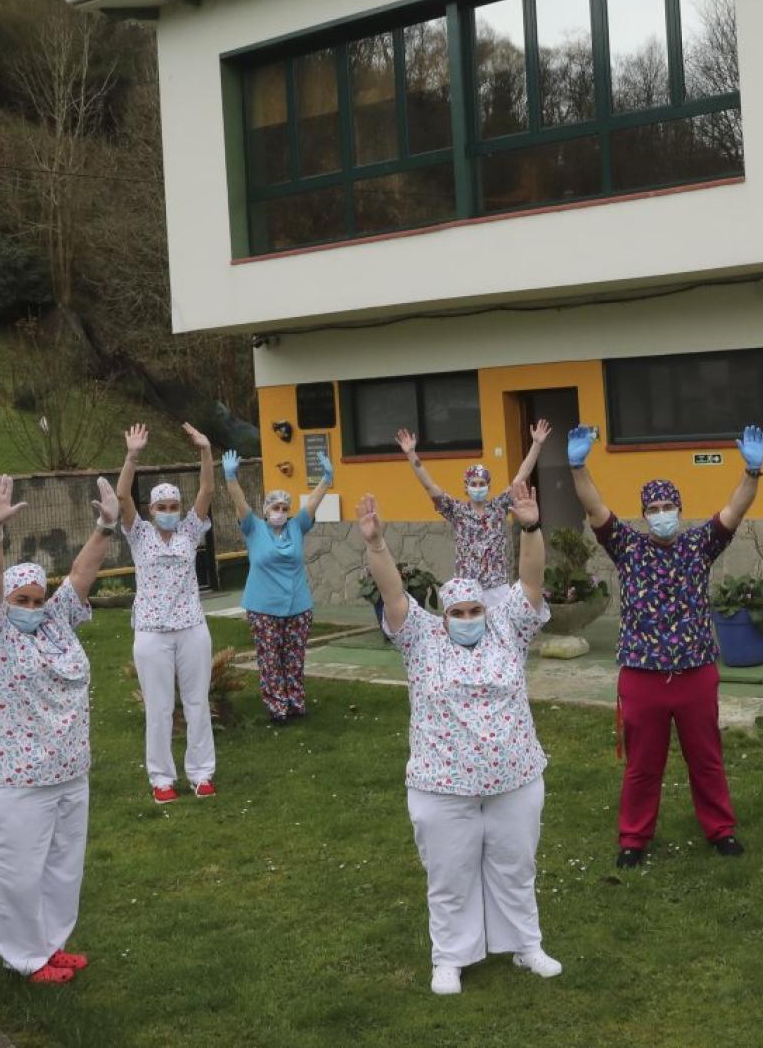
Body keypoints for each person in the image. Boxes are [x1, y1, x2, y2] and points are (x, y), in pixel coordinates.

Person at [357, 484, 560, 996]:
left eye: (475, 610)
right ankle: (450, 957)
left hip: (514, 777)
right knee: (450, 874)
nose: (468, 618)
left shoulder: (508, 630)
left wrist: (531, 528)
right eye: (459, 612)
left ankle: (525, 946)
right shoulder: (421, 638)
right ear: (443, 615)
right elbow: (392, 594)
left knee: (516, 865)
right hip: (441, 783)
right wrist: (377, 544)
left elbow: (531, 582)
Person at [565, 422, 763, 868]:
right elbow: (594, 505)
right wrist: (577, 465)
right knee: (642, 766)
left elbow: (735, 509)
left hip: (695, 671)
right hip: (642, 675)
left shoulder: (699, 544)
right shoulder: (627, 547)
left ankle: (720, 830)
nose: (661, 513)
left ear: (679, 507)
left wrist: (751, 473)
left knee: (706, 758)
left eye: (667, 505)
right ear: (643, 514)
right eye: (653, 507)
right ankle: (633, 838)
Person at [0, 473, 118, 984]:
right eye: (21, 600)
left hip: (69, 774)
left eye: (36, 599)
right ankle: (24, 957)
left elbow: (80, 574)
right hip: (12, 784)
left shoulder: (55, 621)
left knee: (60, 870)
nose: (31, 608)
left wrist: (105, 526)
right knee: (17, 876)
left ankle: (51, 946)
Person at [115, 421, 219, 803]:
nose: (170, 512)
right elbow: (122, 494)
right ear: (151, 509)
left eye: (175, 506)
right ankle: (161, 779)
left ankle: (202, 773)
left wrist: (205, 451)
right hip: (151, 632)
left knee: (196, 704)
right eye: (163, 507)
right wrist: (132, 455)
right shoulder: (138, 534)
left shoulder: (190, 532)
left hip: (191, 628)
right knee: (158, 709)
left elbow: (207, 489)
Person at [222, 447, 333, 724]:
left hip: (298, 605)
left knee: (294, 658)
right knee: (270, 659)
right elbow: (240, 502)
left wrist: (326, 479)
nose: (280, 512)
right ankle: (277, 707)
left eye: (284, 508)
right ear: (266, 509)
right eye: (275, 507)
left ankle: (295, 702)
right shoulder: (253, 528)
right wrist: (230, 478)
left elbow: (312, 504)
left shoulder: (297, 527)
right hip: (263, 607)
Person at [399, 421, 551, 596]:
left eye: (482, 483)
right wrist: (411, 454)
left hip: (497, 586)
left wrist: (537, 444)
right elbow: (429, 485)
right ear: (466, 487)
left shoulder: (499, 507)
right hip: (466, 587)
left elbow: (521, 476)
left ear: (488, 486)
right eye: (474, 484)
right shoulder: (456, 510)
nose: (478, 487)